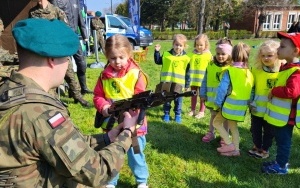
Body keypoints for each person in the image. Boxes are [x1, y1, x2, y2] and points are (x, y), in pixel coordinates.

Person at [0, 18, 138, 187]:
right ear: (52, 59)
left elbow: (62, 144)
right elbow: (98, 172)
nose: (68, 66)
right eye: (67, 59)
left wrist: (107, 138)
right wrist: (126, 134)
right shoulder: (41, 114)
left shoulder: (8, 90)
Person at [93, 34, 149, 188]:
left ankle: (142, 180)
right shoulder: (104, 76)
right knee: (111, 153)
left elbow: (141, 99)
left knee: (135, 153)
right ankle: (111, 181)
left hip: (133, 125)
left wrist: (131, 117)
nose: (117, 62)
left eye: (121, 57)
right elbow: (98, 95)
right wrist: (103, 107)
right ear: (106, 56)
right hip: (111, 124)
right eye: (112, 58)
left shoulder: (136, 74)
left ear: (129, 54)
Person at [28, 0, 90, 107]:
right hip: (43, 49)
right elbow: (32, 30)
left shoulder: (56, 10)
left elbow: (65, 29)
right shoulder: (33, 12)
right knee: (47, 75)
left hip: (58, 48)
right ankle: (54, 99)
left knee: (69, 73)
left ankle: (77, 96)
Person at [262, 32, 300, 174]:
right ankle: (279, 162)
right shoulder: (287, 67)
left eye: (282, 47)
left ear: (296, 51)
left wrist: (275, 91)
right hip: (281, 117)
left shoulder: (296, 72)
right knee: (280, 141)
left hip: (286, 118)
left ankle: (281, 166)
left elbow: (292, 92)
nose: (278, 50)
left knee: (284, 142)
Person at [213, 42, 254, 157]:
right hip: (241, 108)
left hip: (228, 106)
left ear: (232, 55)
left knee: (216, 123)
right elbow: (251, 91)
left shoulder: (230, 71)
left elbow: (222, 89)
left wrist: (217, 103)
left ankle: (229, 144)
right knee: (233, 127)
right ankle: (236, 150)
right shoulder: (250, 73)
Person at [248, 40, 283, 159]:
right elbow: (252, 88)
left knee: (269, 132)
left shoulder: (281, 72)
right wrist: (251, 101)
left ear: (278, 55)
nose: (266, 58)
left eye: (269, 55)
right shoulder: (256, 70)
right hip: (257, 108)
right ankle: (257, 146)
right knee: (255, 129)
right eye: (263, 55)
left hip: (271, 110)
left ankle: (265, 149)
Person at [51, 0, 93, 95]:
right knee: (67, 65)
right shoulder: (55, 1)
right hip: (63, 37)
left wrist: (85, 36)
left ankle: (84, 87)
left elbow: (80, 20)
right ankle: (72, 89)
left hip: (74, 37)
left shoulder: (75, 1)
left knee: (81, 63)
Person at [200, 38, 232, 143]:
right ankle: (211, 132)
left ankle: (224, 135)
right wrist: (202, 93)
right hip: (212, 99)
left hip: (225, 100)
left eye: (223, 54)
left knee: (225, 118)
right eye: (218, 53)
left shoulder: (231, 67)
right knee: (213, 116)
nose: (220, 56)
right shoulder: (210, 65)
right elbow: (204, 80)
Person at [154, 34, 190, 123]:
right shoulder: (166, 55)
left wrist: (187, 85)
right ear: (173, 44)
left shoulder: (186, 58)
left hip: (179, 84)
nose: (178, 47)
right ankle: (166, 114)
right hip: (167, 83)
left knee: (178, 100)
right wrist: (157, 52)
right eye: (176, 45)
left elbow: (188, 73)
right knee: (167, 99)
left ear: (184, 47)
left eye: (181, 45)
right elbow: (158, 61)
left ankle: (178, 115)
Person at [187, 34, 212, 119]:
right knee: (193, 94)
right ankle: (192, 110)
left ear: (206, 45)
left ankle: (201, 111)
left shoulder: (208, 55)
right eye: (197, 45)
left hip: (203, 80)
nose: (199, 47)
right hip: (193, 79)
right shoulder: (191, 54)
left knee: (202, 96)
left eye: (201, 45)